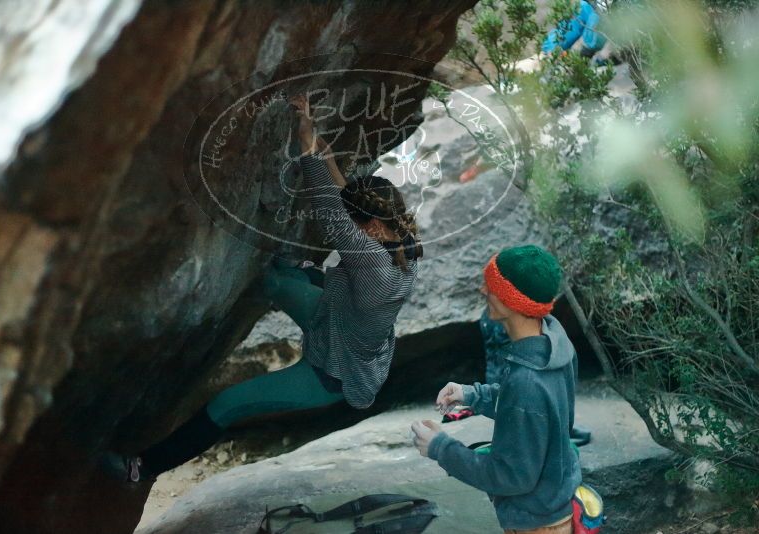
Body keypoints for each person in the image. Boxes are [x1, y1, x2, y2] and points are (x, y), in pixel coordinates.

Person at [107, 95, 422, 482]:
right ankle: (297, 275)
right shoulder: (399, 239)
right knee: (274, 277)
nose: (354, 228)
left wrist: (305, 141)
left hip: (331, 373)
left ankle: (141, 468)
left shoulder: (374, 262)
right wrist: (322, 149)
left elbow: (330, 210)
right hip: (335, 318)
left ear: (372, 229)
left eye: (359, 225)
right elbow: (350, 207)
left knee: (228, 403)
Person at [411, 245, 581, 534]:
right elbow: (533, 413)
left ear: (512, 301)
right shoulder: (553, 342)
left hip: (536, 524)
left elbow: (510, 476)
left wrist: (441, 448)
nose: (482, 291)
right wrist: (471, 395)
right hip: (556, 505)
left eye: (490, 286)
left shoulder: (526, 382)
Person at [542, 0, 607, 59]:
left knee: (592, 38)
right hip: (594, 7)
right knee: (581, 9)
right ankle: (547, 53)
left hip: (608, 20)